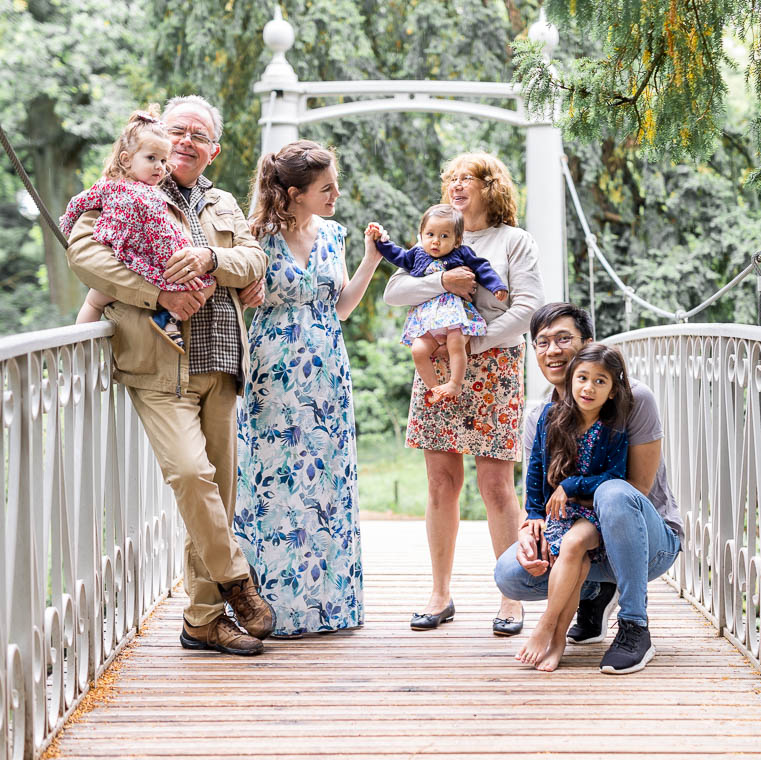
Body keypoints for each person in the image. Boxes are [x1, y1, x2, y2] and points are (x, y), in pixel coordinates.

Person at [66, 95, 276, 656]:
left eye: (197, 135)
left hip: (222, 367)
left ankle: (204, 620)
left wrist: (212, 259)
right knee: (190, 476)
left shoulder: (224, 203)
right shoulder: (127, 188)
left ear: (214, 149)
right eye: (176, 130)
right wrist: (156, 292)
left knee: (216, 496)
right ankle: (237, 581)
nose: (184, 142)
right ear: (158, 137)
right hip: (160, 366)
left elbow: (254, 262)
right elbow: (84, 254)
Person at [384, 152, 544, 635]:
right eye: (449, 177)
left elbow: (529, 307)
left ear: (489, 186)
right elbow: (395, 291)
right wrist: (441, 281)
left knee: (496, 485)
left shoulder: (514, 241)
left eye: (466, 178)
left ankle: (510, 595)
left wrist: (476, 342)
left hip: (493, 365)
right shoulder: (435, 235)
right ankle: (439, 593)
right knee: (440, 483)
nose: (455, 185)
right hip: (436, 366)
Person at [232, 141, 382, 637]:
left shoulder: (335, 234)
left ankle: (329, 606)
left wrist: (371, 262)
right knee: (274, 482)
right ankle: (270, 606)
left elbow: (339, 307)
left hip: (326, 373)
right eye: (326, 188)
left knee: (324, 480)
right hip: (272, 372)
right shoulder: (254, 236)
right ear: (295, 194)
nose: (336, 194)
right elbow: (233, 298)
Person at [494, 303, 683, 674]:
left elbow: (636, 488)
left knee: (612, 494)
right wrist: (531, 526)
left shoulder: (631, 401)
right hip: (576, 528)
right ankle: (593, 593)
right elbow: (536, 485)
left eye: (564, 338)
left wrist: (571, 489)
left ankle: (634, 625)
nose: (553, 350)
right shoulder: (541, 417)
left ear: (588, 344)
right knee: (510, 574)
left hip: (647, 542)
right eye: (542, 341)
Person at [515, 344, 633, 672]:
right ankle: (558, 641)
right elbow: (537, 467)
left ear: (612, 391)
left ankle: (545, 627)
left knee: (574, 544)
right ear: (570, 379)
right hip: (558, 515)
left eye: (600, 381)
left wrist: (571, 486)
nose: (588, 387)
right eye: (582, 378)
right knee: (576, 563)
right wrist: (535, 513)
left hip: (595, 515)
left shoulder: (614, 430)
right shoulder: (551, 418)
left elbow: (614, 478)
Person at [62, 105, 215, 353]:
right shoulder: (132, 191)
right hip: (138, 260)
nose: (159, 167)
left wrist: (67, 224)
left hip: (138, 258)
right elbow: (80, 202)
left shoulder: (131, 189)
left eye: (164, 161)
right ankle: (166, 320)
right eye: (151, 159)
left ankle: (167, 319)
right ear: (126, 159)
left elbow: (80, 202)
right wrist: (68, 224)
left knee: (95, 299)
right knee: (206, 284)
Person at [367, 204, 509, 401]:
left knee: (455, 343)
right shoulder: (417, 255)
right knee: (418, 350)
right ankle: (434, 388)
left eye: (444, 236)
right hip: (427, 321)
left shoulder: (462, 253)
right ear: (421, 235)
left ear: (457, 240)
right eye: (430, 234)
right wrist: (380, 242)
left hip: (454, 317)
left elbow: (482, 268)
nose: (436, 241)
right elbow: (397, 255)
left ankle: (455, 383)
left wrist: (496, 287)